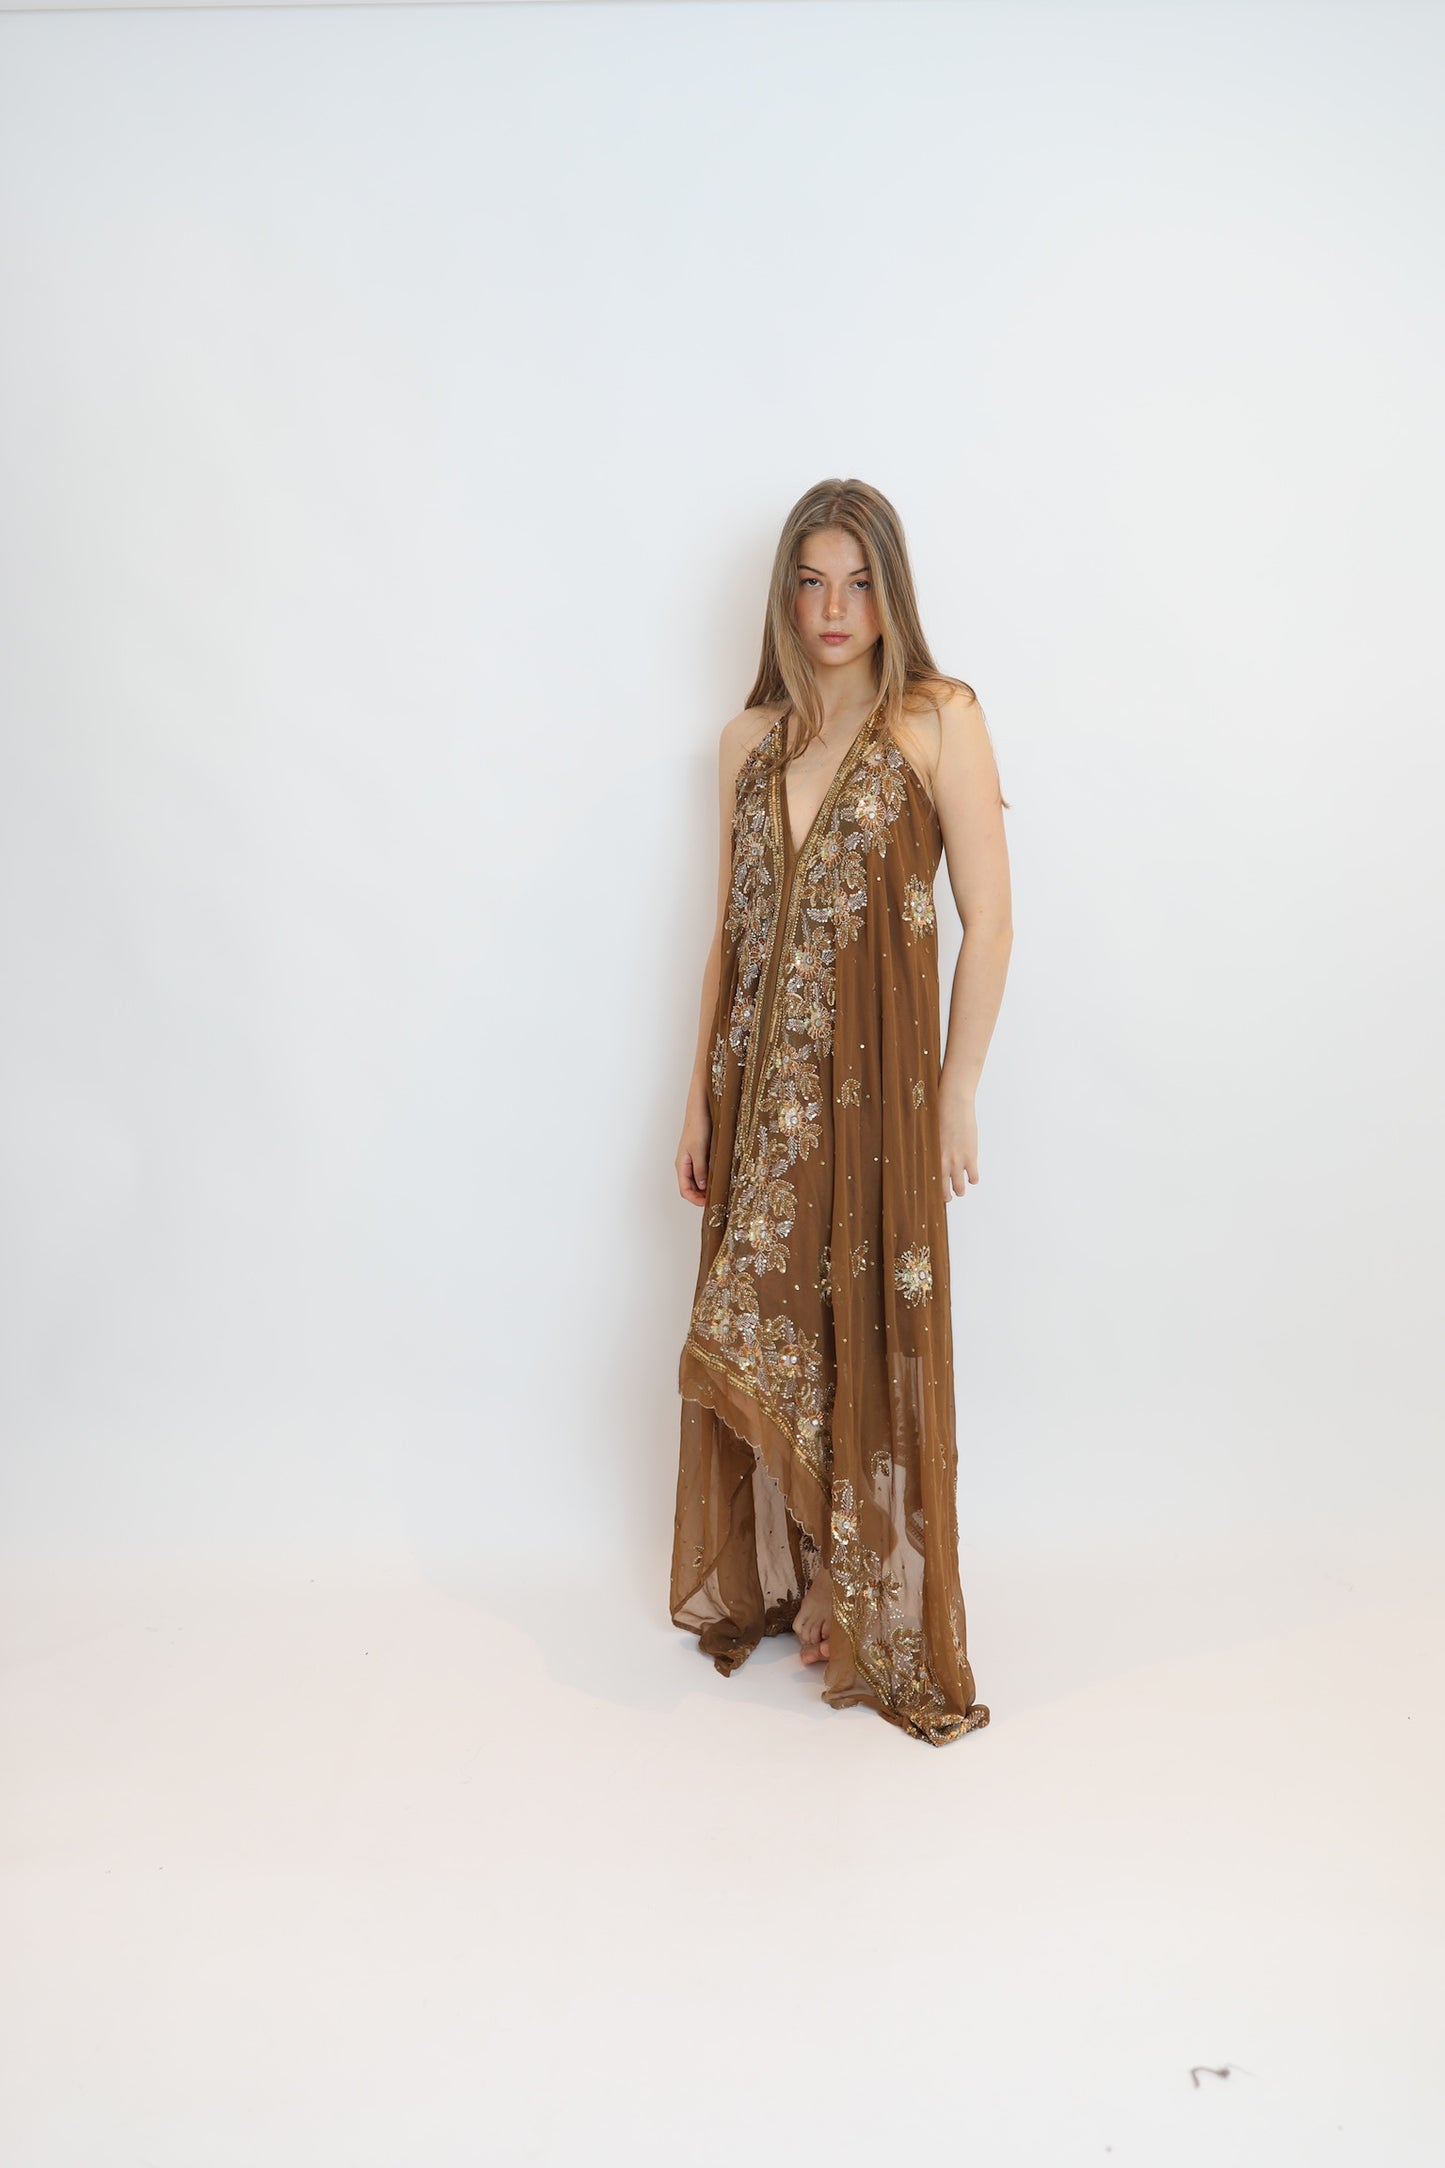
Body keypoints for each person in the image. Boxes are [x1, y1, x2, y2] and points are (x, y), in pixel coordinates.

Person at [668, 478, 1013, 1746]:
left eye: (857, 583)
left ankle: (846, 1584)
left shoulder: (936, 717)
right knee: (764, 1318)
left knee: (857, 1317)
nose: (833, 608)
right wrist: (695, 1103)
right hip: (759, 1091)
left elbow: (990, 920)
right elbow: (730, 935)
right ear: (784, 594)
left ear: (889, 592)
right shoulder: (746, 741)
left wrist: (956, 1087)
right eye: (811, 582)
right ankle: (816, 1564)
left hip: (877, 1102)